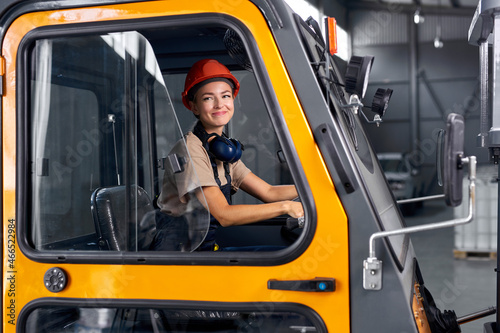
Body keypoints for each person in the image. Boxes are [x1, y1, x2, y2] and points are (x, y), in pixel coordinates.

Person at [152, 59, 303, 251]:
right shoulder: (191, 149)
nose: (219, 104)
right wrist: (286, 207)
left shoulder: (222, 148)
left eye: (225, 96)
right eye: (208, 98)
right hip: (180, 257)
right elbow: (224, 215)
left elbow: (268, 192)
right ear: (194, 106)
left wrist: (310, 188)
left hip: (203, 247)